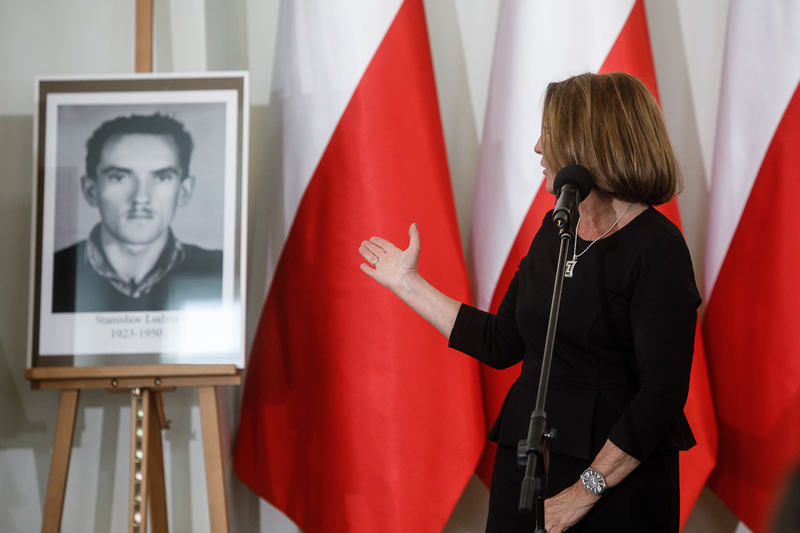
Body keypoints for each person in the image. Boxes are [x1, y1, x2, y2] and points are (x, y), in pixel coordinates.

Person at [359, 72, 700, 532]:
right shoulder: (556, 229)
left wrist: (581, 495)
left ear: (587, 142)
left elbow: (660, 397)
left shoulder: (658, 248)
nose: (538, 147)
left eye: (550, 133)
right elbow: (502, 342)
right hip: (528, 466)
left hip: (611, 485)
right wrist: (408, 283)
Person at [52, 113, 223, 313]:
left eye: (161, 178)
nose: (141, 197)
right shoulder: (52, 271)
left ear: (184, 192)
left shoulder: (220, 270)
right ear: (91, 191)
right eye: (119, 177)